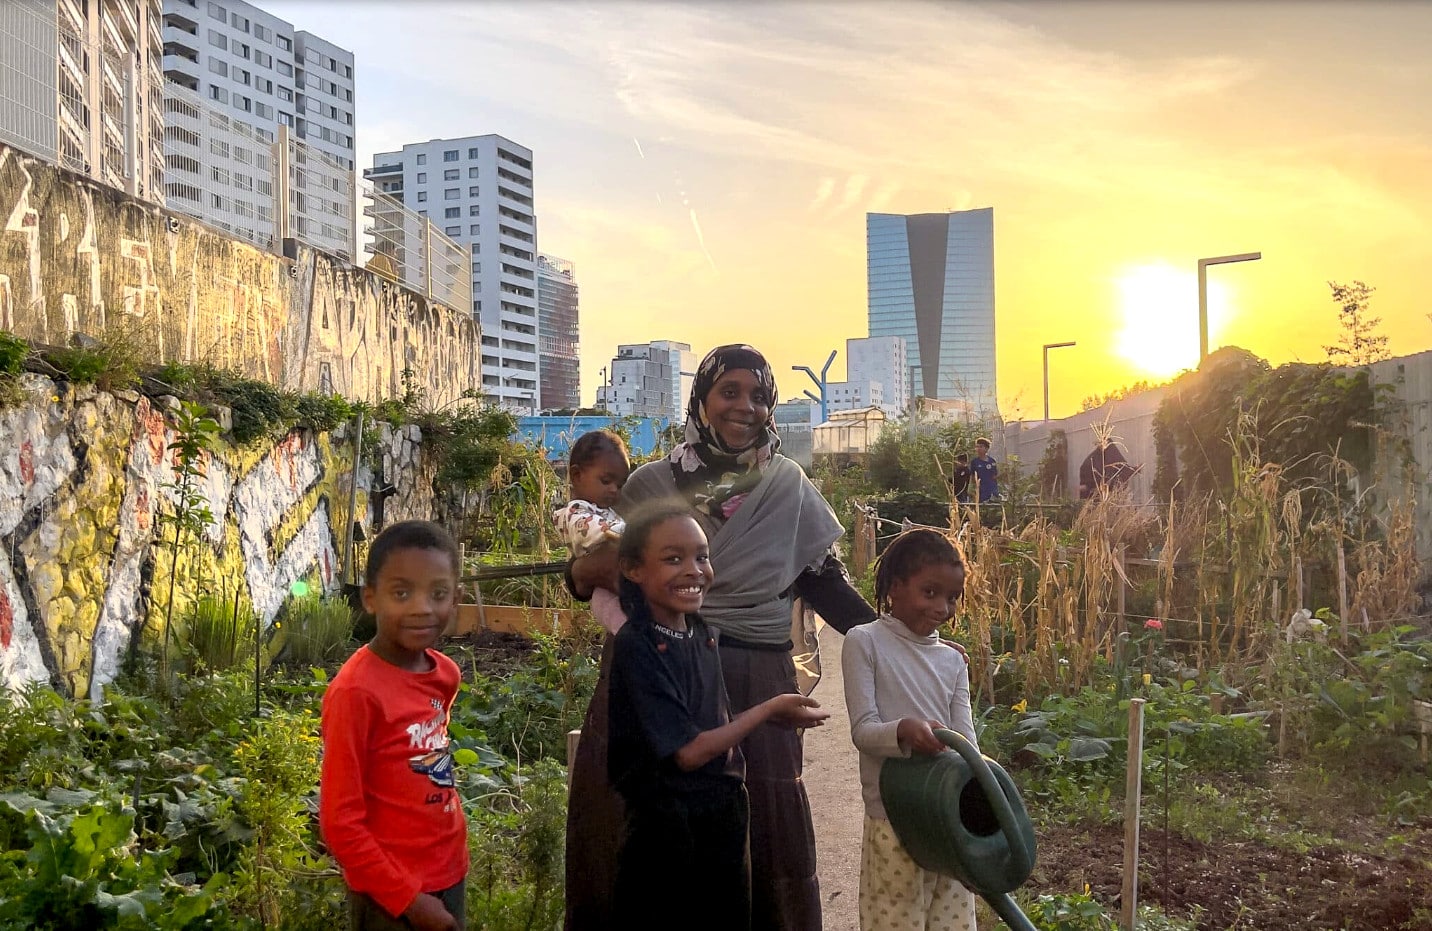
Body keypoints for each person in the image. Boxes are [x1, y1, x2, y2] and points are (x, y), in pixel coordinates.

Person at [565, 344, 877, 931]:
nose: (745, 406)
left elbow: (825, 580)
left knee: (759, 825)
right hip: (657, 671)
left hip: (755, 675)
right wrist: (578, 574)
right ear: (702, 401)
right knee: (642, 823)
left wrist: (895, 640)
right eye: (729, 392)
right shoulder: (653, 484)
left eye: (759, 395)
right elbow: (596, 568)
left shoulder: (788, 485)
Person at [608, 500, 831, 929]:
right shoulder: (638, 646)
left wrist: (767, 716)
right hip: (668, 826)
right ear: (634, 569)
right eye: (673, 559)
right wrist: (767, 709)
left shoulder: (700, 632)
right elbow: (689, 752)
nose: (694, 569)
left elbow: (710, 723)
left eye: (701, 556)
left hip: (722, 813)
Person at [319, 520, 467, 931]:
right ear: (370, 599)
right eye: (402, 593)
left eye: (438, 594)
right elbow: (339, 823)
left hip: (450, 873)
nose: (422, 607)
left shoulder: (445, 674)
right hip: (391, 896)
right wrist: (409, 901)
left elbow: (425, 759)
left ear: (456, 598)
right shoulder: (356, 693)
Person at [841, 528, 977, 931]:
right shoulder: (864, 642)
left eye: (952, 597)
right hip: (894, 819)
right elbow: (863, 731)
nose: (942, 607)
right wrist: (903, 731)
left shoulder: (952, 662)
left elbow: (966, 744)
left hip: (947, 820)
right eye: (929, 592)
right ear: (895, 587)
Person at [553, 429, 631, 634]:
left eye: (620, 484)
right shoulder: (575, 513)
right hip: (604, 593)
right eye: (606, 481)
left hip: (617, 584)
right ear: (577, 475)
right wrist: (638, 534)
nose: (614, 489)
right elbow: (598, 531)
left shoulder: (604, 510)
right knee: (627, 630)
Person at [970, 438, 999, 502]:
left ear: (986, 448)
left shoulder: (992, 461)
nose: (978, 449)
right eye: (977, 447)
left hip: (992, 491)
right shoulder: (974, 462)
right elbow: (972, 478)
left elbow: (994, 476)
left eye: (981, 447)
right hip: (981, 492)